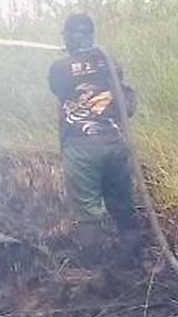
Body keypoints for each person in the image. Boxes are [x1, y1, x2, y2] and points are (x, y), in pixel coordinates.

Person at [48, 14, 144, 262]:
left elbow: (59, 89)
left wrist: (73, 58)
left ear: (69, 36)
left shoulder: (59, 68)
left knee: (88, 212)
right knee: (122, 204)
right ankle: (132, 262)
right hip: (114, 144)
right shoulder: (108, 61)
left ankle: (94, 269)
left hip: (81, 149)